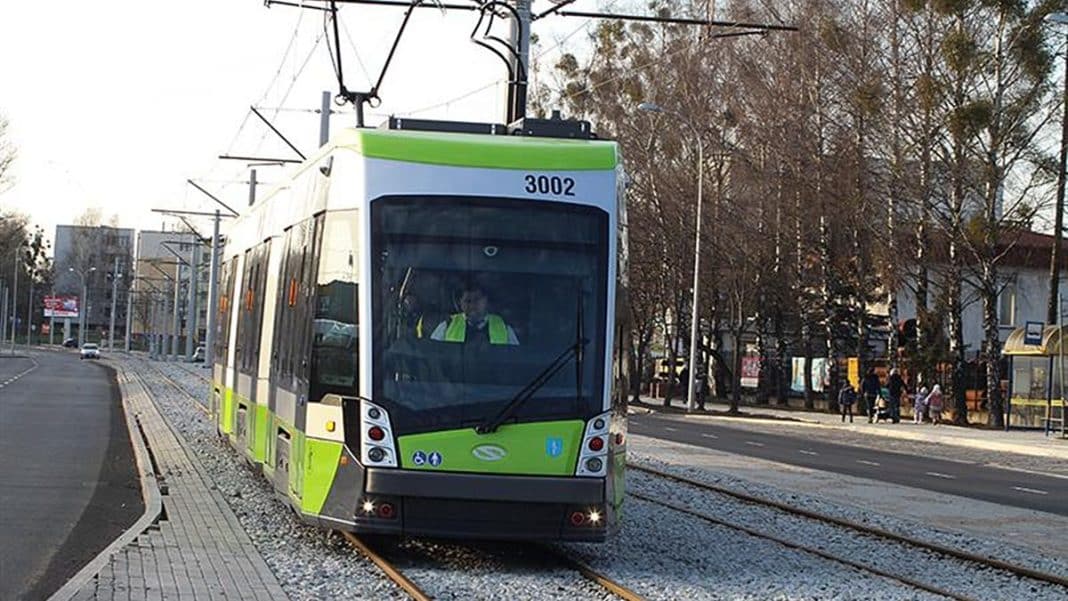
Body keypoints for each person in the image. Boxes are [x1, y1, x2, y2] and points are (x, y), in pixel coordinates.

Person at [430, 284, 519, 346]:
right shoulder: (447, 325)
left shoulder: (504, 327)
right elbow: (432, 354)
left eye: (477, 299)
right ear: (460, 303)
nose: (472, 305)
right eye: (467, 301)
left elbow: (516, 357)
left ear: (486, 301)